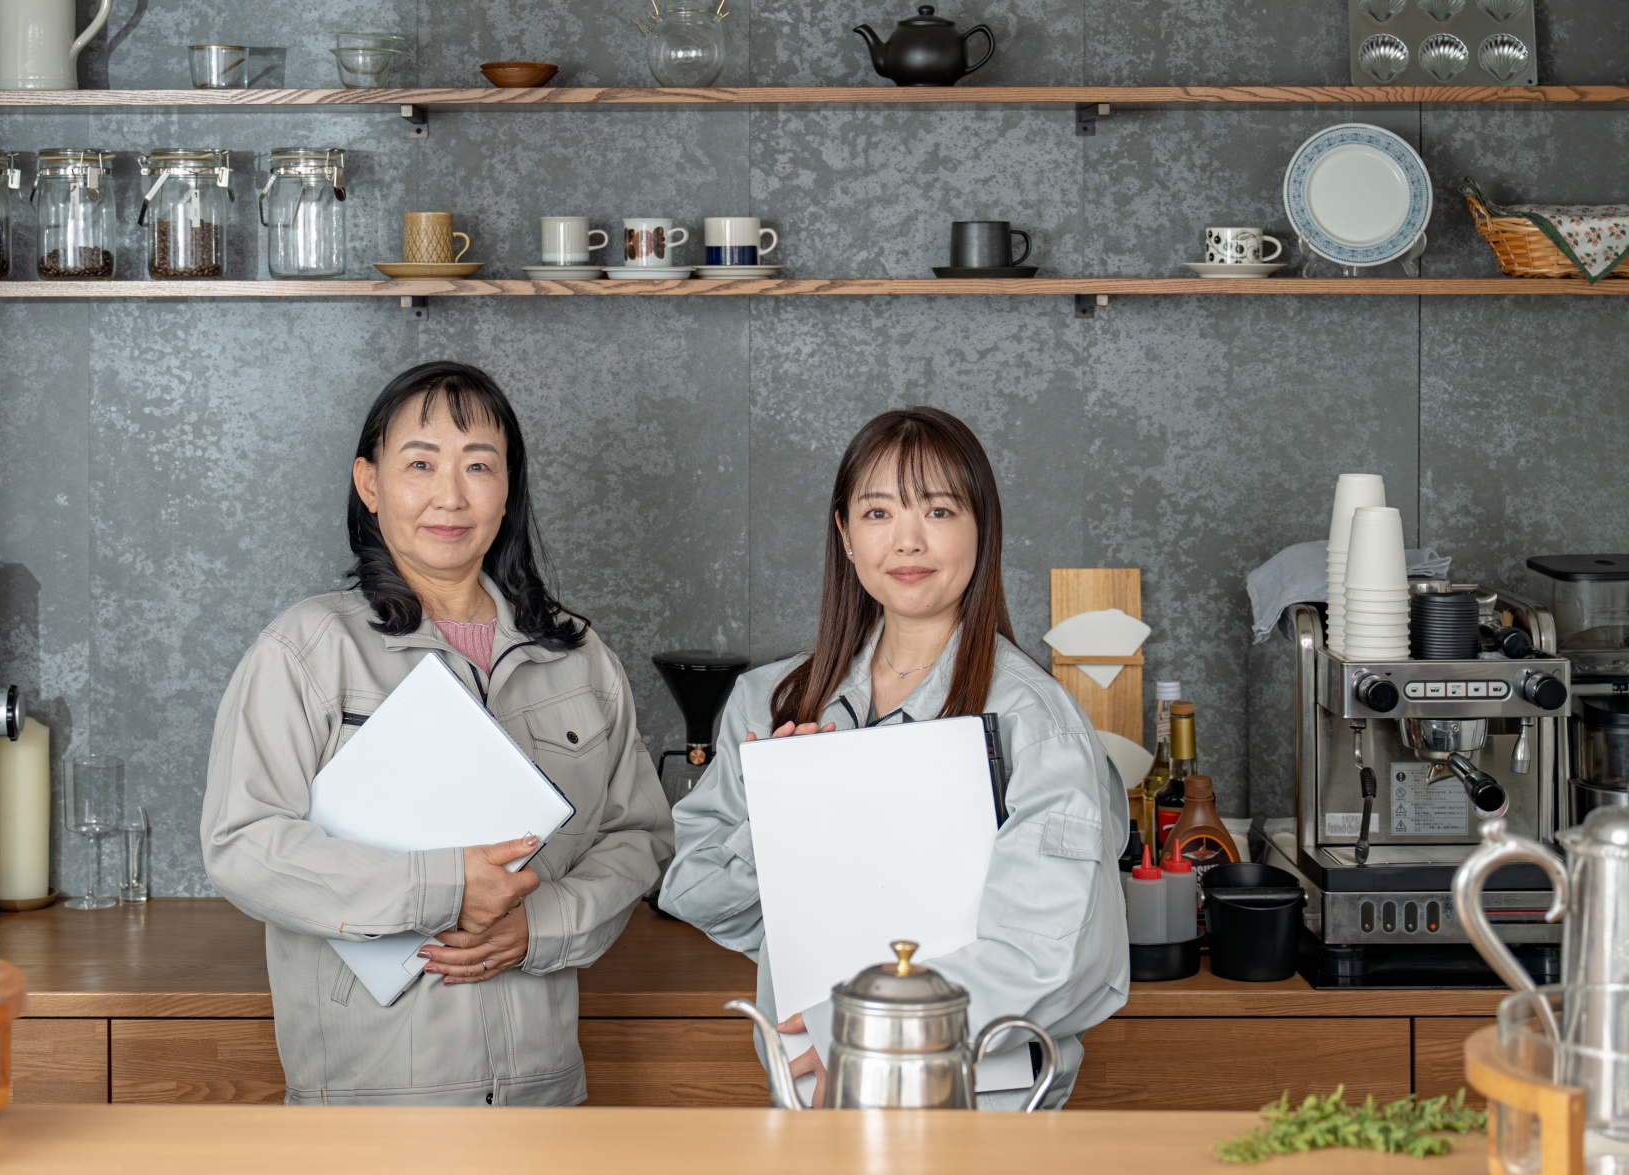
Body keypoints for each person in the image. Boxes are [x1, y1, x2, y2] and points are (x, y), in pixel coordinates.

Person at [202, 361, 673, 1106]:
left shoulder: (577, 657)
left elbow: (637, 837)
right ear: (369, 484)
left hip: (544, 1096)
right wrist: (444, 888)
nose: (450, 496)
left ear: (508, 488)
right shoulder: (307, 650)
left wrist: (541, 926)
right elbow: (243, 845)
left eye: (478, 465)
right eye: (420, 464)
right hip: (369, 1099)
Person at [658, 407, 1129, 1109]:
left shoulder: (1035, 722)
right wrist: (786, 818)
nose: (908, 540)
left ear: (982, 528)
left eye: (938, 510)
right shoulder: (772, 702)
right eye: (878, 512)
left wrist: (862, 1037)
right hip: (811, 1102)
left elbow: (1055, 953)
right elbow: (698, 893)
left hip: (979, 1110)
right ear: (845, 535)